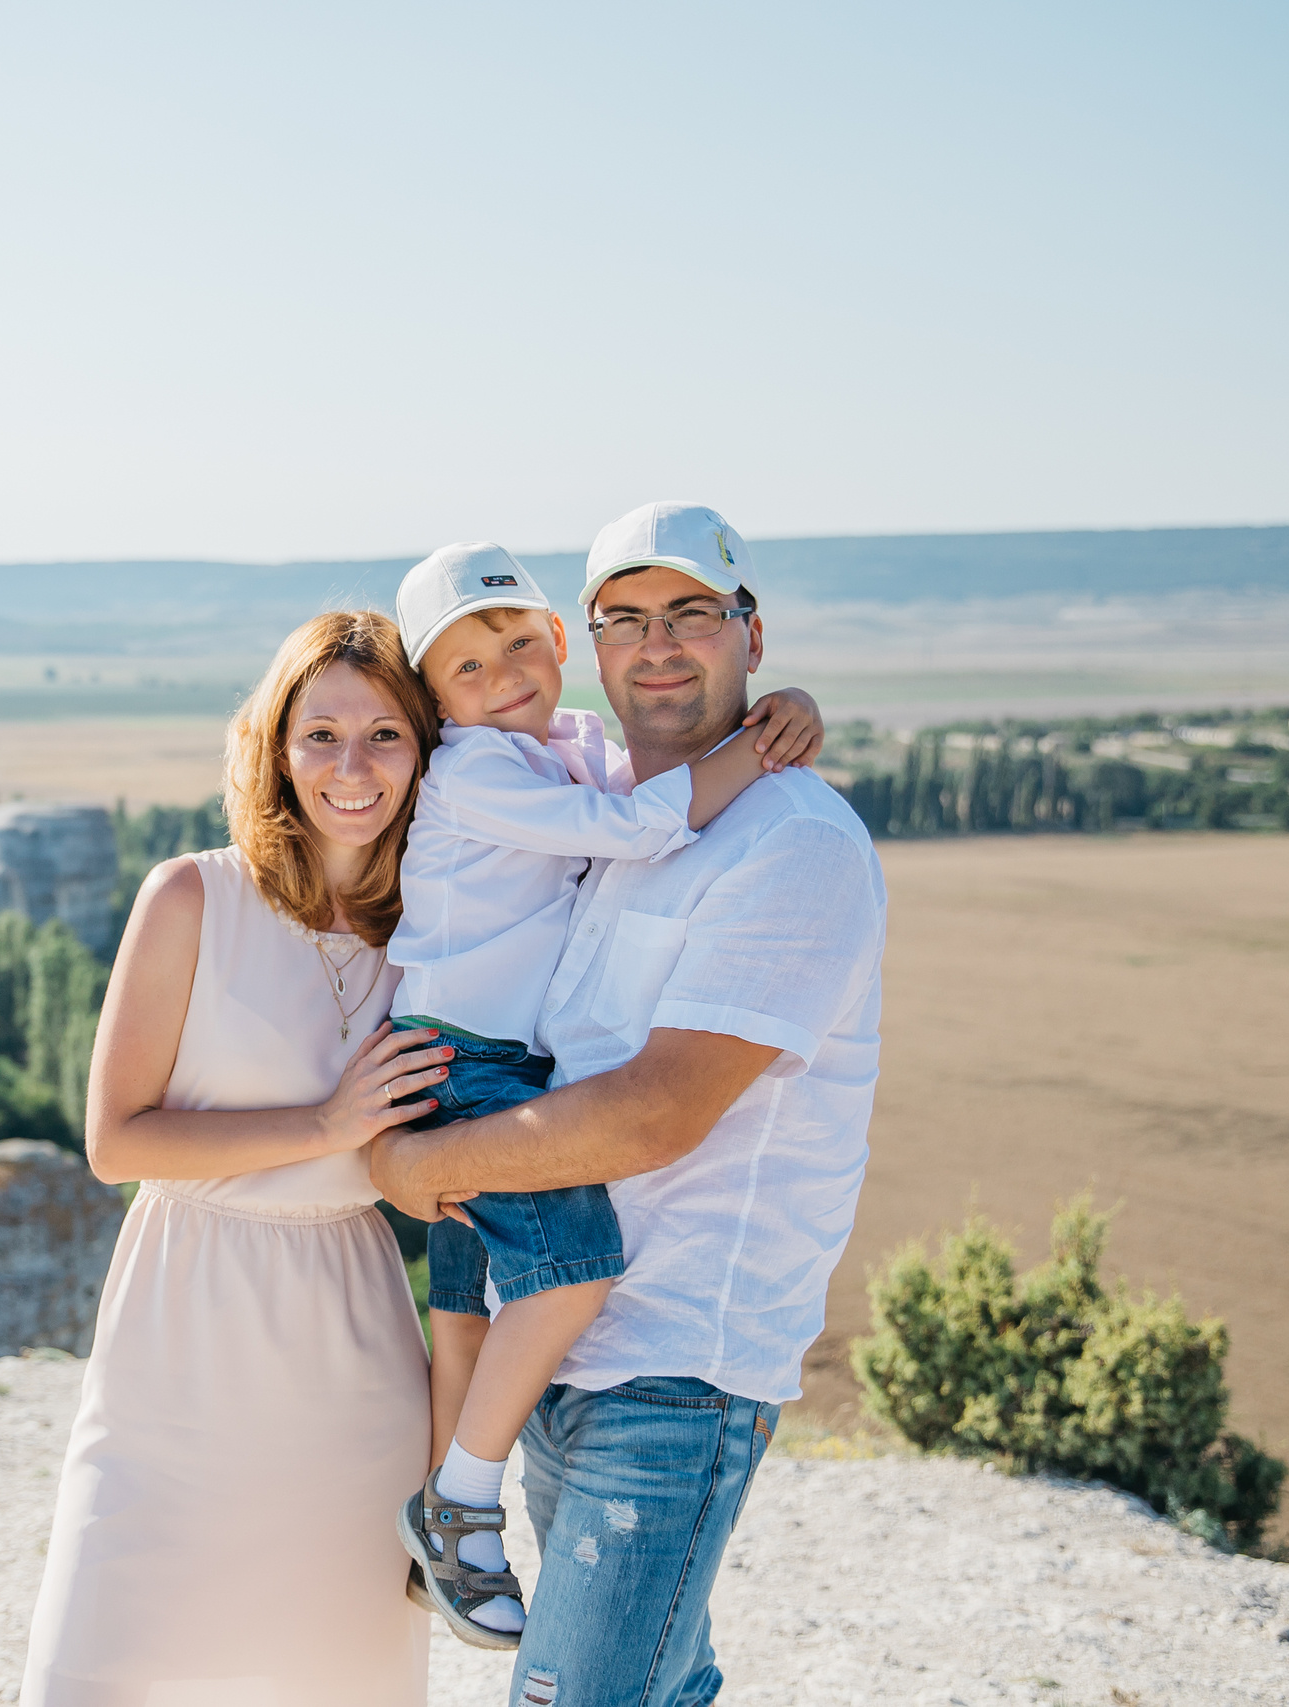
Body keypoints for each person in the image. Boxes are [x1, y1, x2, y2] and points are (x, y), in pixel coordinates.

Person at [370, 501, 887, 1707]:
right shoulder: (587, 804)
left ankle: (451, 1504)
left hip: (673, 1371)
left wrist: (412, 1169)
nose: (659, 645)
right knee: (660, 1681)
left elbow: (657, 1115)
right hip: (562, 1353)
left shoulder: (788, 838)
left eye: (693, 614)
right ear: (590, 649)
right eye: (628, 620)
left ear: (749, 633)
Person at [21, 610, 453, 1707]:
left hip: (353, 1345)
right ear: (274, 745)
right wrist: (324, 1123)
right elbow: (116, 1141)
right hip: (182, 1324)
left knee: (338, 1671)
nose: (351, 767)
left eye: (385, 735)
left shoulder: (445, 931)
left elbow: (578, 763)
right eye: (320, 734)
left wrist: (769, 723)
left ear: (426, 750)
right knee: (100, 1665)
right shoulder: (192, 896)